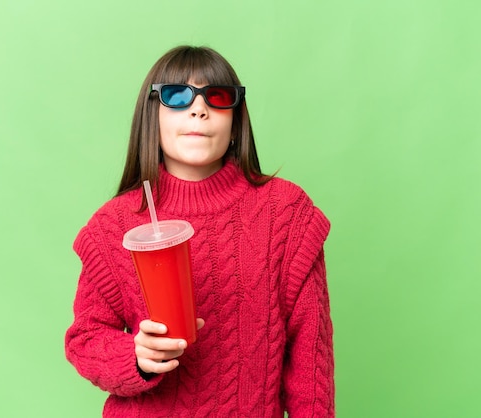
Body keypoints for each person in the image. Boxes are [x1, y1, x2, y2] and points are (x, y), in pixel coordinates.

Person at [65, 45, 335, 417]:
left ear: (236, 119)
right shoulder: (114, 226)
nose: (198, 108)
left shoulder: (286, 216)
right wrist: (137, 356)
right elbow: (86, 339)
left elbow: (310, 361)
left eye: (217, 97)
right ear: (151, 117)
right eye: (177, 96)